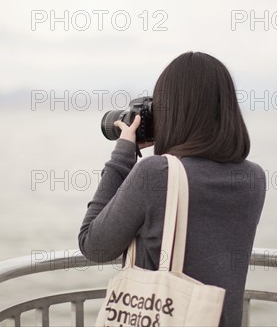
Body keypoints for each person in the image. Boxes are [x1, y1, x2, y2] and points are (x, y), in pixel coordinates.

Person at [78, 51, 266, 326]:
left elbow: (93, 245)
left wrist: (123, 154)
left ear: (171, 112)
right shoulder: (253, 178)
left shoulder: (156, 173)